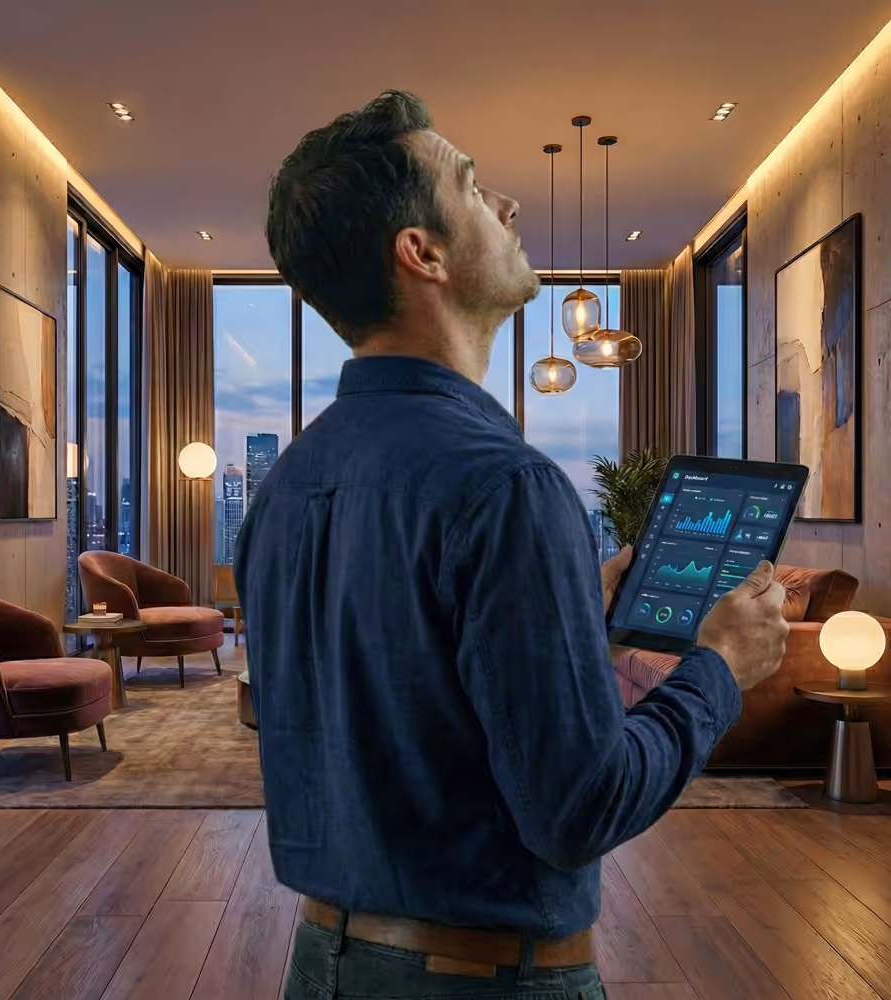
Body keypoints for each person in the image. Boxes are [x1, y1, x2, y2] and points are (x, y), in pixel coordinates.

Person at [234, 90, 787, 1000]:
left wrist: (575, 619)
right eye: (472, 186)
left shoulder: (286, 486)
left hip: (320, 967)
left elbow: (413, 705)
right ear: (422, 253)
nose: (508, 204)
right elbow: (579, 810)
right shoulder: (508, 487)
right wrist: (721, 669)